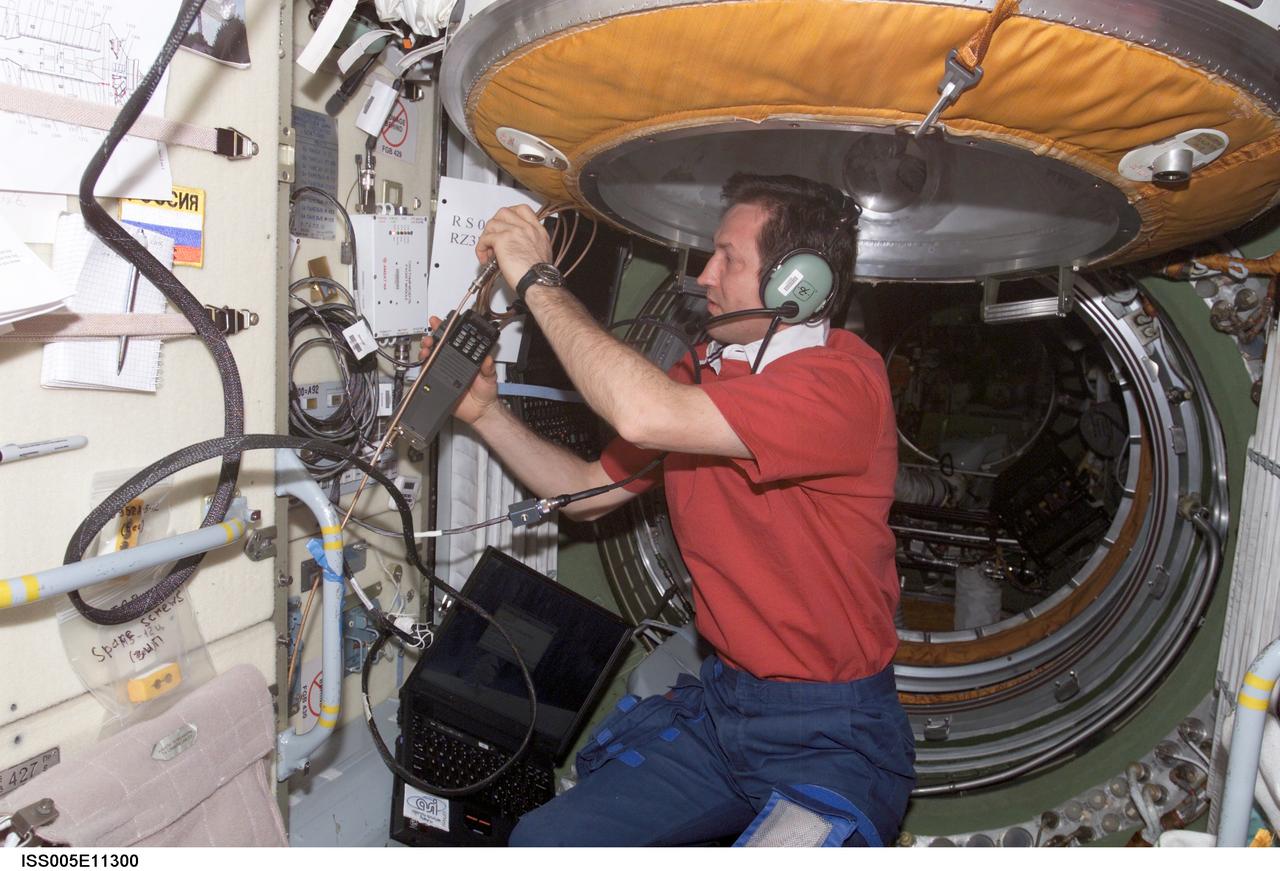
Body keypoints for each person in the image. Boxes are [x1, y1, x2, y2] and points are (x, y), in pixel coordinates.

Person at [424, 173, 915, 846]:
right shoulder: (706, 371)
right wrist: (485, 414)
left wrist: (538, 278)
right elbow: (591, 494)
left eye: (728, 257)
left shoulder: (840, 385)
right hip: (723, 712)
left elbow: (642, 410)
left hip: (829, 733)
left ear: (796, 281)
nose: (705, 275)